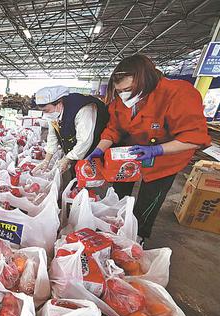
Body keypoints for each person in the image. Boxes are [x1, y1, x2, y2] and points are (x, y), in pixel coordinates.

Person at [86, 54, 211, 241]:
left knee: (149, 199)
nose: (123, 95)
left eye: (127, 90)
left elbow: (194, 137)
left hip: (165, 157)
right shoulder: (122, 100)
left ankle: (137, 237)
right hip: (130, 154)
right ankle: (116, 226)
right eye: (119, 91)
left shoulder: (178, 93)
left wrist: (157, 150)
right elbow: (114, 128)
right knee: (120, 195)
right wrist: (100, 149)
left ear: (145, 81)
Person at [32, 86, 109, 174]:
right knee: (75, 172)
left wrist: (67, 159)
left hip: (96, 149)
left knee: (90, 176)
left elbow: (84, 141)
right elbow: (53, 135)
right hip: (79, 148)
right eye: (43, 111)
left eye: (46, 110)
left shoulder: (83, 109)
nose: (45, 114)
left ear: (59, 103)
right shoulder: (54, 113)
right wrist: (46, 160)